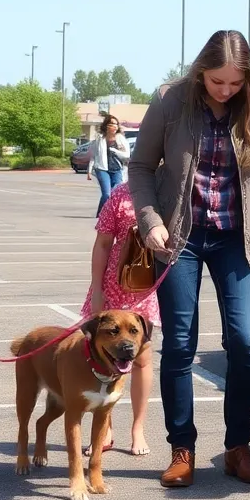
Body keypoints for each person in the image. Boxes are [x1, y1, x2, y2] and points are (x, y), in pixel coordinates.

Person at [127, 29, 250, 489]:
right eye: (217, 81)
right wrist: (149, 220)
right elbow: (140, 167)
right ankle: (182, 449)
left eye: (235, 83)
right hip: (178, 238)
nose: (226, 90)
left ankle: (238, 447)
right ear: (202, 72)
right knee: (180, 344)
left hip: (239, 238)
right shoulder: (171, 99)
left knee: (245, 342)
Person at [78, 181, 157, 457]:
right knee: (104, 360)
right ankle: (106, 428)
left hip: (148, 286)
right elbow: (102, 243)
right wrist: (97, 289)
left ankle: (138, 428)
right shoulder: (122, 193)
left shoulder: (171, 190)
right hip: (114, 285)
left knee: (142, 359)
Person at [86, 113, 128, 216]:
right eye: (112, 124)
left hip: (117, 169)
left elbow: (127, 155)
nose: (115, 126)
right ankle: (102, 215)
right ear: (106, 126)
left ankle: (107, 214)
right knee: (107, 194)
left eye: (116, 124)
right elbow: (94, 155)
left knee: (115, 193)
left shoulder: (121, 139)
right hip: (102, 169)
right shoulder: (100, 139)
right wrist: (89, 170)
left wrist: (115, 151)